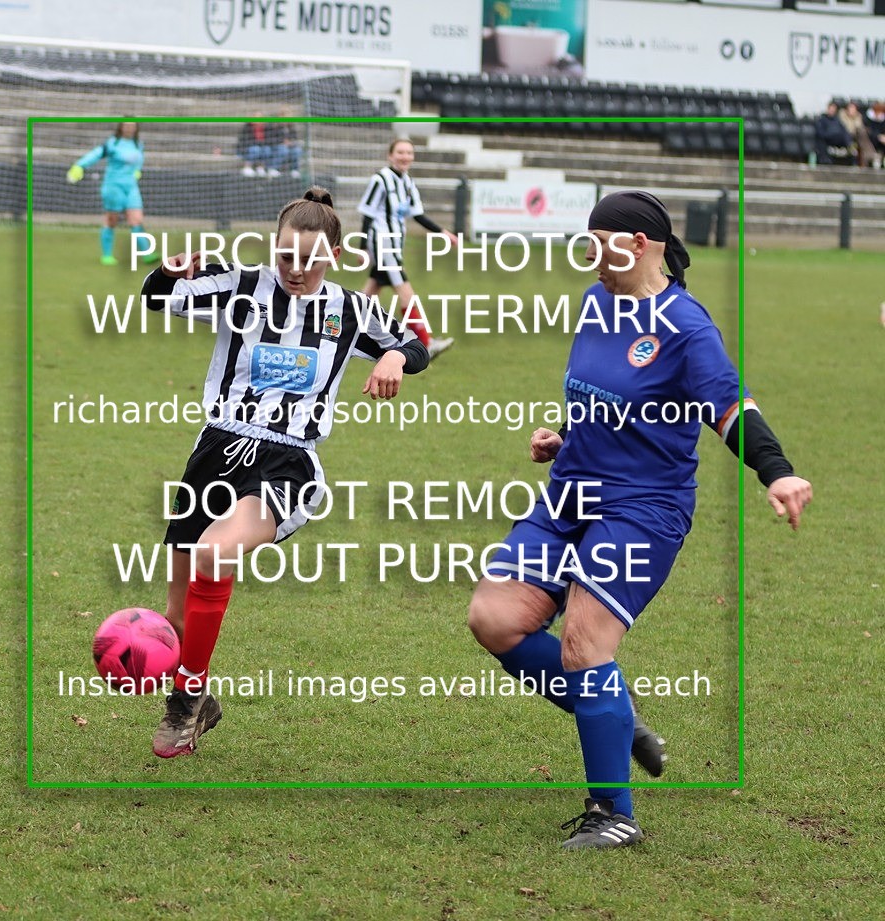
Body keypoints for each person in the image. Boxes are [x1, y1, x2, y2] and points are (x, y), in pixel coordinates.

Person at [467, 190, 812, 849]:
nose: (590, 257)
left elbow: (732, 408)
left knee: (583, 643)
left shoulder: (685, 325)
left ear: (640, 244)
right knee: (494, 617)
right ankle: (616, 717)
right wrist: (565, 436)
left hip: (643, 509)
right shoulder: (597, 302)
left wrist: (778, 470)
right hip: (570, 495)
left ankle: (614, 814)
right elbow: (604, 391)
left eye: (600, 244)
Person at [140, 187, 429, 758]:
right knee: (175, 623)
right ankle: (200, 693)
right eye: (287, 256)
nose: (297, 270)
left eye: (312, 259)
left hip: (287, 459)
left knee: (214, 553)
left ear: (337, 255)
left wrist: (394, 356)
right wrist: (171, 270)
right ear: (273, 248)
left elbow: (415, 344)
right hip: (215, 452)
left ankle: (185, 704)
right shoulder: (241, 285)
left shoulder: (351, 309)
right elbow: (158, 297)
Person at [358, 138, 458, 360]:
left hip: (394, 245)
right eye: (400, 152)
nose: (405, 156)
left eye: (409, 153)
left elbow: (418, 214)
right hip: (383, 245)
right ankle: (426, 343)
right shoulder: (381, 179)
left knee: (369, 293)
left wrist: (443, 232)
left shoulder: (408, 183)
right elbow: (367, 213)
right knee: (406, 292)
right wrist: (363, 247)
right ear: (390, 155)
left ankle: (347, 328)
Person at [67, 122, 157, 266]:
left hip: (131, 186)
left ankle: (147, 254)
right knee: (111, 220)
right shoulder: (112, 143)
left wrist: (137, 170)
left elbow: (139, 160)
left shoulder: (138, 144)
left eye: (132, 126)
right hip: (113, 186)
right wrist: (79, 165)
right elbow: (95, 154)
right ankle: (107, 255)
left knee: (136, 219)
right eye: (127, 125)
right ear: (121, 127)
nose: (130, 128)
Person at [838, 101, 877, 168]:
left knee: (863, 133)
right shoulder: (842, 116)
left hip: (858, 137)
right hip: (845, 137)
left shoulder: (858, 116)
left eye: (853, 108)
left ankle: (868, 158)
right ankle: (871, 155)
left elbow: (859, 127)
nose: (851, 110)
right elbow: (847, 129)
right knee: (861, 135)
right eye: (850, 108)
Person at [270, 113, 303, 178]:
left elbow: (295, 138)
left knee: (297, 150)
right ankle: (274, 169)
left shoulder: (291, 128)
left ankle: (294, 170)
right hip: (278, 146)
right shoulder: (275, 128)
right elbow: (272, 139)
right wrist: (282, 142)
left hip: (290, 147)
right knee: (283, 149)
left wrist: (291, 142)